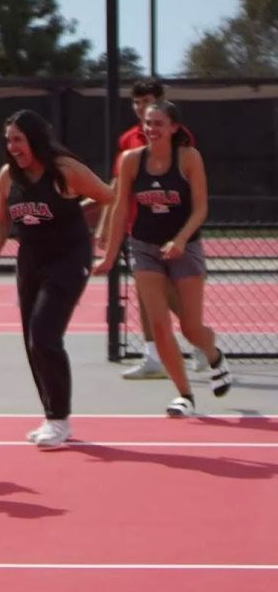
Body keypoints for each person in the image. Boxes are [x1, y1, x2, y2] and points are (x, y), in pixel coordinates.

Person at [0, 109, 113, 448]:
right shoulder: (8, 176)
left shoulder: (63, 171)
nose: (12, 147)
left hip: (68, 256)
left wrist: (77, 213)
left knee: (44, 334)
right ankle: (52, 414)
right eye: (8, 141)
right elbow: (2, 221)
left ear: (34, 139)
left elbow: (108, 196)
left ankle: (59, 419)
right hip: (31, 258)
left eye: (18, 140)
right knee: (32, 340)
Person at [94, 101, 231, 414]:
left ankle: (214, 356)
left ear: (173, 128)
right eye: (147, 123)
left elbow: (200, 209)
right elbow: (120, 209)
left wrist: (180, 240)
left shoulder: (188, 158)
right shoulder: (131, 160)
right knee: (158, 324)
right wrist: (110, 255)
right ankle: (185, 395)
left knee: (191, 328)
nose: (151, 129)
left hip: (185, 246)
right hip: (144, 246)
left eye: (158, 123)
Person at [97, 77, 206, 379]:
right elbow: (117, 186)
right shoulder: (128, 141)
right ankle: (153, 356)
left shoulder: (179, 140)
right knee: (145, 296)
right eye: (137, 102)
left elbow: (185, 183)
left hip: (173, 230)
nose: (141, 108)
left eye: (147, 101)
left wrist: (182, 235)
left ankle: (198, 340)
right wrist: (106, 225)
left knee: (169, 295)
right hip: (138, 229)